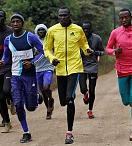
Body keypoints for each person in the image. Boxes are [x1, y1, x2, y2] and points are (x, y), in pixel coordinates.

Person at [43, 6, 93, 144]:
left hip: (74, 67)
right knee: (63, 101)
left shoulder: (78, 29)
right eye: (60, 15)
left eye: (65, 15)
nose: (62, 17)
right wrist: (52, 58)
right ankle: (69, 96)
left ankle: (69, 133)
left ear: (69, 15)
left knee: (69, 99)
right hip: (59, 69)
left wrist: (88, 50)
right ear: (58, 17)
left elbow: (84, 44)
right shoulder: (52, 30)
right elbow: (46, 49)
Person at [0, 13, 44, 143]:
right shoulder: (8, 40)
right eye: (13, 22)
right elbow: (6, 56)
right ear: (11, 24)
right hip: (15, 75)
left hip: (29, 76)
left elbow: (43, 51)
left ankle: (36, 97)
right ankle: (26, 132)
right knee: (18, 104)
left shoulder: (30, 37)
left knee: (31, 107)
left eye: (18, 21)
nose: (15, 24)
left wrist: (32, 63)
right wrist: (2, 61)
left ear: (22, 24)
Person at [106, 8, 132, 141]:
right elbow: (107, 48)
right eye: (122, 18)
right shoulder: (115, 32)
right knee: (126, 101)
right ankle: (131, 104)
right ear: (120, 19)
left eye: (126, 17)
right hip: (121, 70)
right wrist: (115, 52)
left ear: (131, 17)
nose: (124, 20)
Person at [79, 20, 104, 119]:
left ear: (91, 29)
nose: (85, 30)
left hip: (93, 66)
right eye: (83, 29)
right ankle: (85, 94)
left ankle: (90, 110)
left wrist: (94, 52)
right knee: (83, 88)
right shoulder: (79, 39)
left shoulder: (97, 38)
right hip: (81, 66)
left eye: (87, 29)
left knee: (92, 90)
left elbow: (102, 51)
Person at [34, 24, 55, 119]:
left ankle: (51, 100)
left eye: (43, 30)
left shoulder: (50, 40)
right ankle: (48, 111)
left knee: (47, 87)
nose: (41, 31)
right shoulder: (34, 42)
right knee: (42, 91)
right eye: (39, 30)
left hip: (48, 67)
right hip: (38, 69)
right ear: (36, 32)